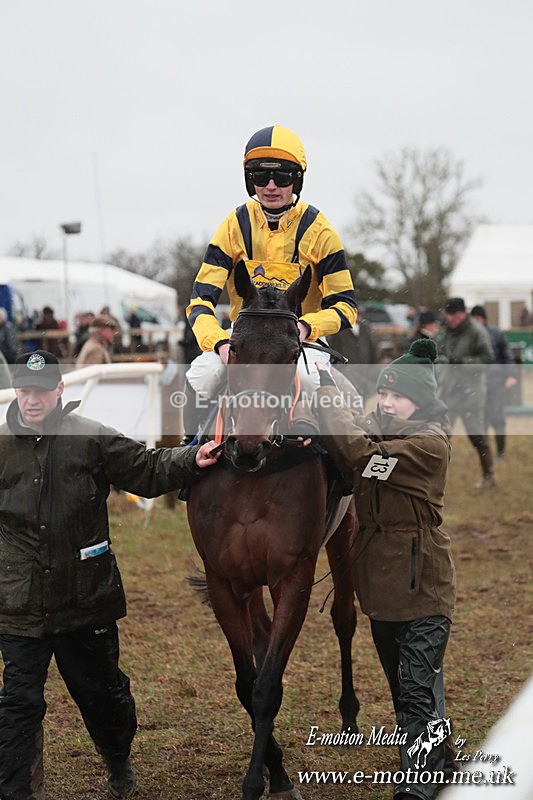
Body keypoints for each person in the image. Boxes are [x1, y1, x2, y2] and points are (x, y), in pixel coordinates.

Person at [0, 350, 220, 800]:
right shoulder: (1, 445)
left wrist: (193, 458)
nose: (32, 400)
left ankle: (117, 758)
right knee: (18, 705)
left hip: (85, 600)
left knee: (104, 699)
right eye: (25, 391)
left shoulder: (92, 439)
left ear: (60, 391)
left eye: (41, 391)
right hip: (19, 603)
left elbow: (149, 469)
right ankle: (19, 788)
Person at [314, 339, 456, 800]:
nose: (388, 403)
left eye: (398, 396)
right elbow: (354, 437)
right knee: (408, 686)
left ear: (422, 401)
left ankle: (417, 785)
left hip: (424, 585)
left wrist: (329, 396)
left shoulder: (429, 445)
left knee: (415, 687)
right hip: (378, 585)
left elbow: (359, 454)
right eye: (384, 395)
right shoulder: (381, 427)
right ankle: (443, 756)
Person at [183, 124, 358, 441]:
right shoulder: (233, 226)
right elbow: (200, 303)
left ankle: (339, 474)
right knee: (202, 373)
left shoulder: (321, 232)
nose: (272, 186)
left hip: (300, 341)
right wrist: (220, 343)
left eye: (283, 177)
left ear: (298, 179)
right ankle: (189, 454)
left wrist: (306, 328)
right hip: (244, 339)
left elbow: (346, 307)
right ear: (250, 180)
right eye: (261, 177)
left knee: (310, 380)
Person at [436, 297, 496, 489]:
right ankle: (434, 480)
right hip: (449, 393)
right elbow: (440, 353)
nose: (450, 319)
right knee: (441, 437)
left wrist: (463, 362)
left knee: (477, 437)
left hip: (471, 394)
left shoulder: (477, 332)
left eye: (453, 315)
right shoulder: (447, 332)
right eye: (448, 315)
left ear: (462, 313)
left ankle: (489, 476)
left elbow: (487, 359)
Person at [470, 305, 518, 459]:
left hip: (495, 383)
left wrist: (511, 375)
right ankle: (485, 453)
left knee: (497, 418)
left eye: (477, 318)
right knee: (480, 420)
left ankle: (501, 452)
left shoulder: (496, 334)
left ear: (482, 319)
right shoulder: (470, 336)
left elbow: (507, 356)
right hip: (477, 384)